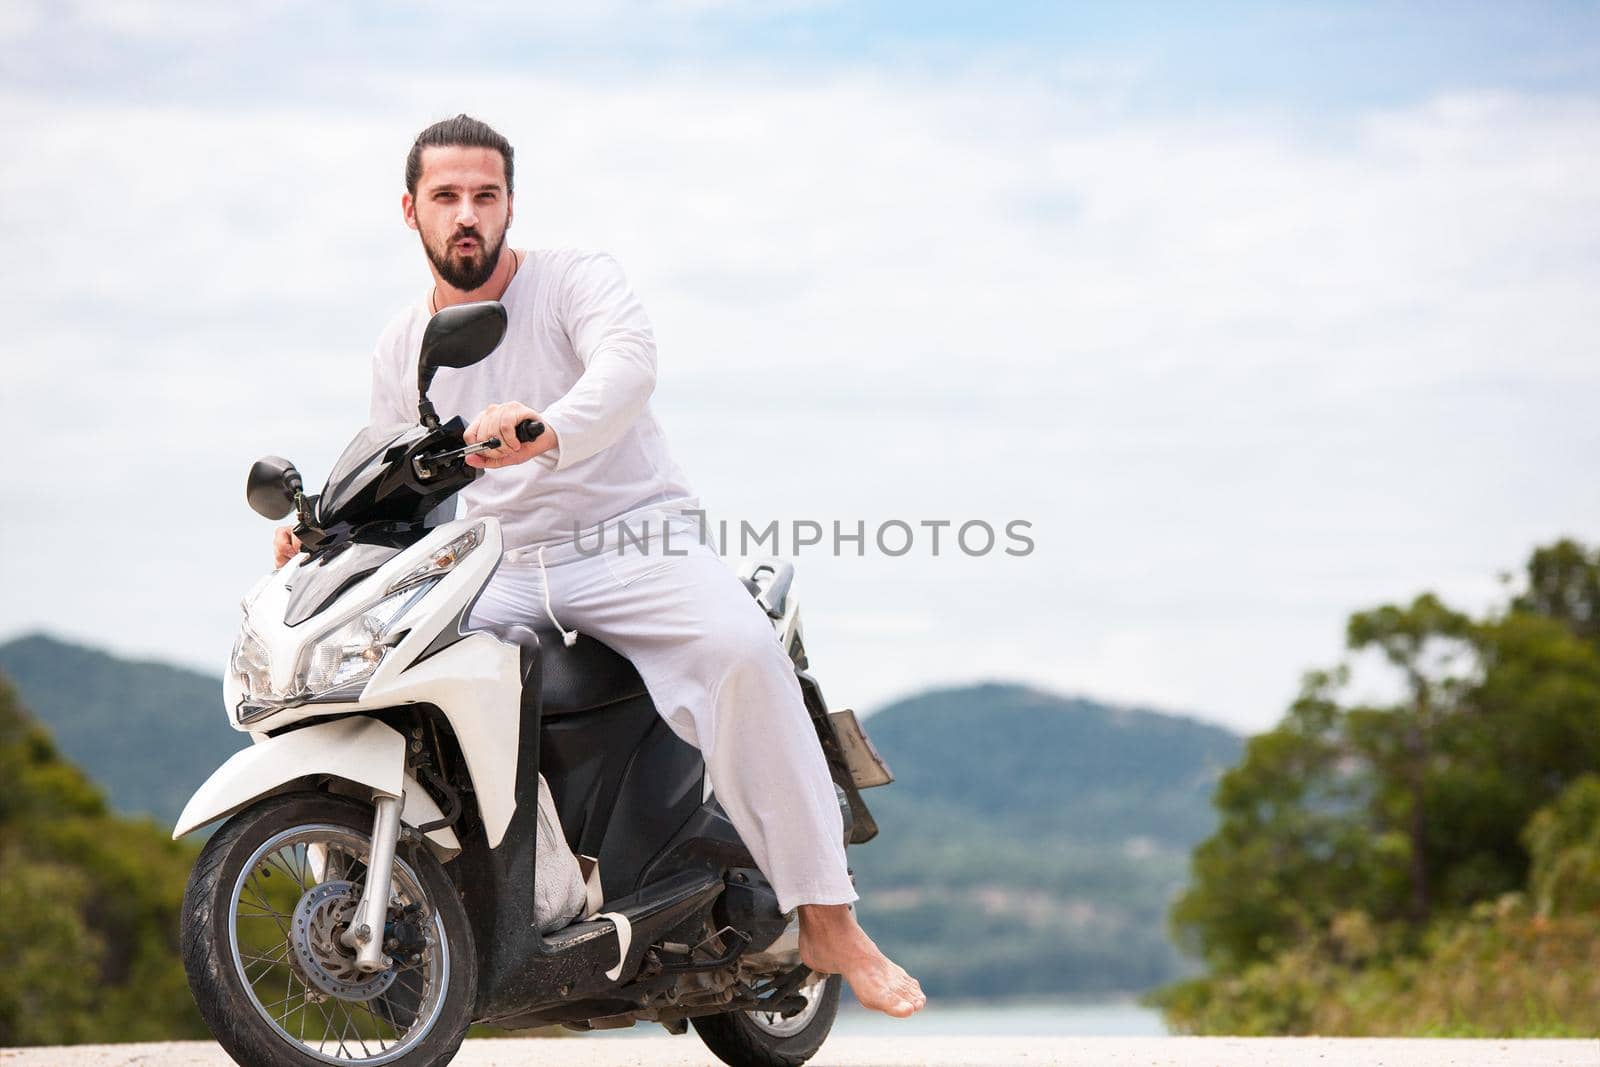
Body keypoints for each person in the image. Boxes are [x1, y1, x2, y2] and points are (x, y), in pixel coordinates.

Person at [273, 114, 925, 1018]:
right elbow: (400, 476)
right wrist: (329, 535)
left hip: (630, 536)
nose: (467, 215)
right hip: (497, 562)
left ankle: (828, 916)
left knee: (739, 649)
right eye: (446, 197)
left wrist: (547, 429)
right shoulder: (401, 343)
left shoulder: (574, 278)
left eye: (485, 196)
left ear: (509, 204)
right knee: (403, 687)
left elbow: (628, 366)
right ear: (410, 211)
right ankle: (523, 907)